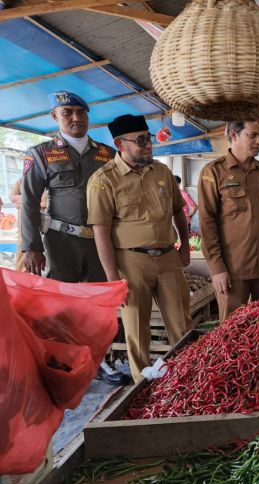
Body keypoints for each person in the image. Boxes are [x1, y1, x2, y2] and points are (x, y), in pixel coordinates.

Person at [21, 90, 127, 386]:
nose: (76, 118)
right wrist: (31, 247)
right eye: (67, 113)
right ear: (55, 117)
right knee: (60, 306)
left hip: (99, 242)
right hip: (59, 243)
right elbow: (29, 201)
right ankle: (62, 363)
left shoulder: (107, 154)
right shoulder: (41, 154)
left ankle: (104, 361)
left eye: (81, 112)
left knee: (99, 305)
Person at [86, 114, 192, 383]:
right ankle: (142, 386)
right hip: (130, 262)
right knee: (136, 328)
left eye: (149, 138)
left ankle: (190, 378)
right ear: (121, 143)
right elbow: (101, 231)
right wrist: (112, 278)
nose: (148, 145)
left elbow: (179, 211)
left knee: (182, 323)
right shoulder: (103, 181)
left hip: (168, 257)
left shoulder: (161, 172)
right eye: (141, 140)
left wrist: (185, 247)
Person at [197, 121, 259, 321]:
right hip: (232, 271)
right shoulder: (214, 172)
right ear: (234, 135)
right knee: (232, 333)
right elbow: (207, 223)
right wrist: (217, 268)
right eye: (252, 135)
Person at [9, 179, 47, 272]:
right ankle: (22, 278)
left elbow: (45, 202)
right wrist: (31, 199)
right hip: (24, 225)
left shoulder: (45, 180)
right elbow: (12, 197)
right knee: (22, 253)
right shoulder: (20, 181)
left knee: (44, 253)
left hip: (44, 224)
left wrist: (25, 200)